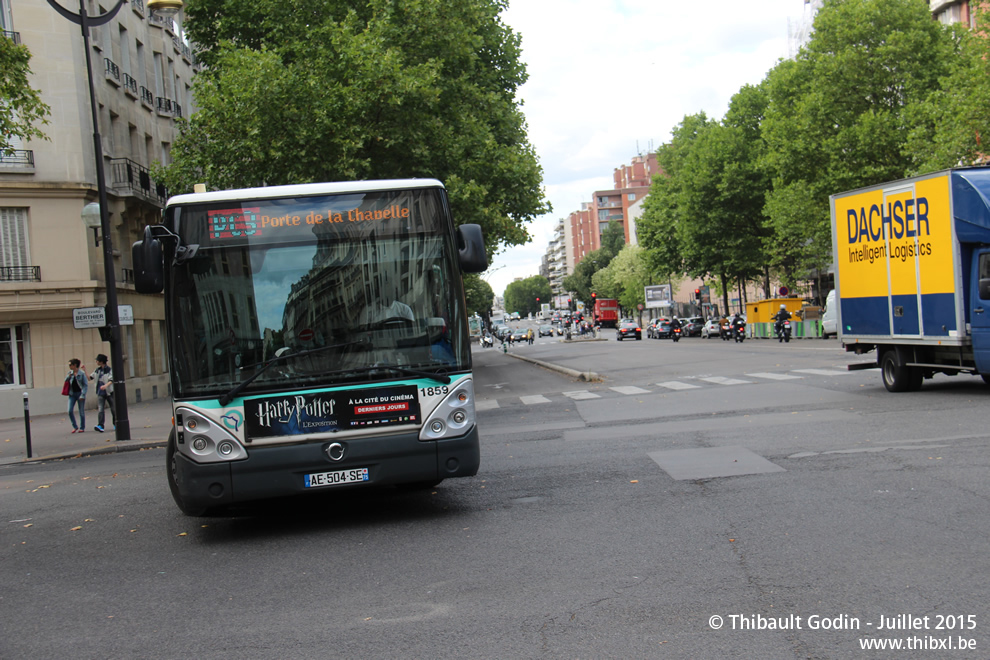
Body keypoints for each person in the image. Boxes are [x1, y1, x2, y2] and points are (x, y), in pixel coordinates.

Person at [89, 353, 116, 433]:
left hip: (109, 392)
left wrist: (105, 386)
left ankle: (115, 424)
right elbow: (90, 378)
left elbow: (111, 380)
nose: (96, 362)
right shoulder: (97, 370)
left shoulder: (109, 370)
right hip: (100, 393)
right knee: (100, 409)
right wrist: (85, 370)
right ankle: (100, 425)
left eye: (97, 360)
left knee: (113, 409)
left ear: (101, 361)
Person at [64, 358, 88, 433]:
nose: (69, 366)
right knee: (69, 410)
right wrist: (68, 376)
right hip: (72, 394)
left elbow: (85, 385)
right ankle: (75, 426)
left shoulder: (81, 374)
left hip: (80, 393)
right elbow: (65, 381)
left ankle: (82, 427)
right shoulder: (70, 373)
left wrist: (83, 395)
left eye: (70, 365)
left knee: (81, 412)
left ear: (75, 365)